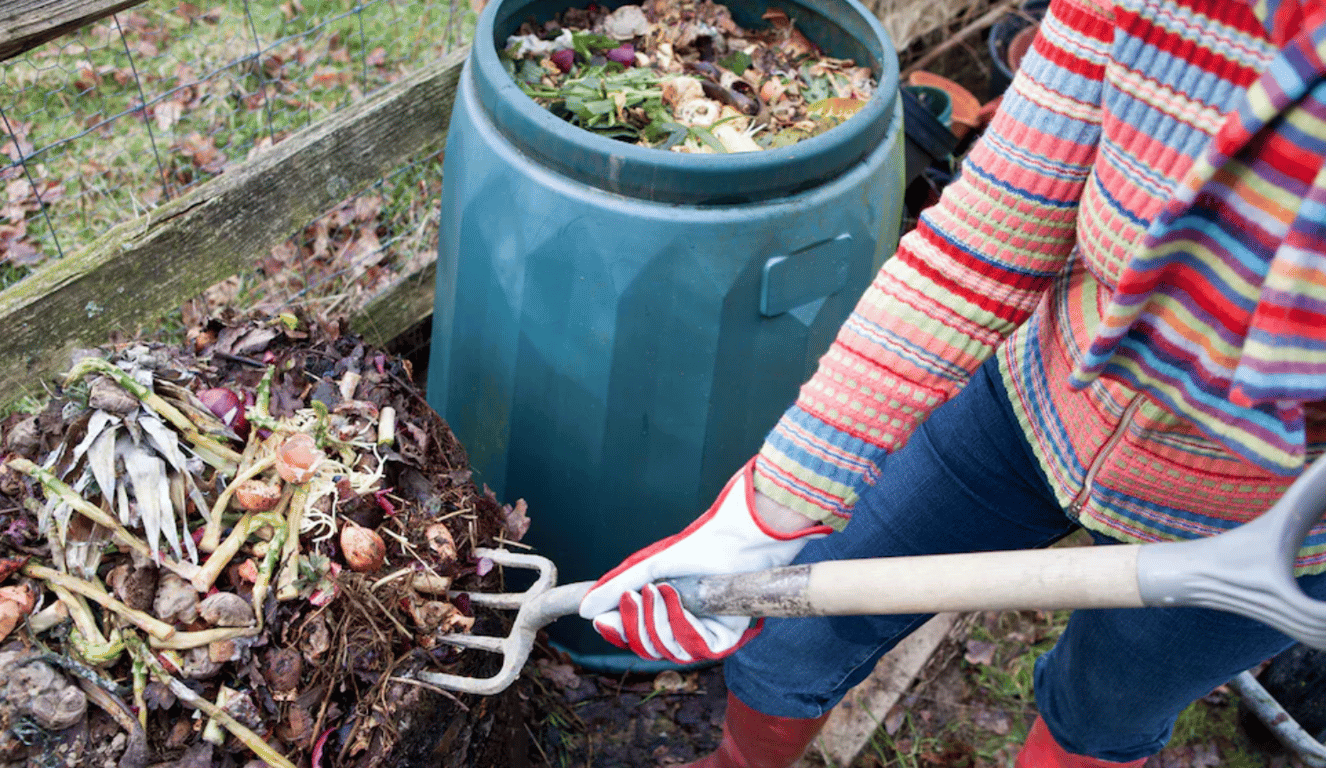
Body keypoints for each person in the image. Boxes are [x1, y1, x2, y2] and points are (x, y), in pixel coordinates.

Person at [577, 0, 1326, 765]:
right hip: (1034, 407)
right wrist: (768, 511)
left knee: (1102, 713)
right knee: (797, 637)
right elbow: (980, 247)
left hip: (1258, 522)